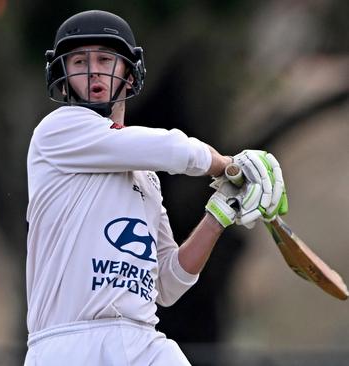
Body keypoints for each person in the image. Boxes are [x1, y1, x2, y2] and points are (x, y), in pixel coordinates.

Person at [25, 10, 287, 365]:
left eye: (105, 59)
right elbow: (174, 150)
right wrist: (230, 165)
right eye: (78, 61)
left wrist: (220, 214)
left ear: (130, 75)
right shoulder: (57, 132)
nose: (92, 71)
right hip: (70, 343)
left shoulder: (145, 178)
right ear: (63, 74)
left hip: (141, 341)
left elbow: (167, 283)